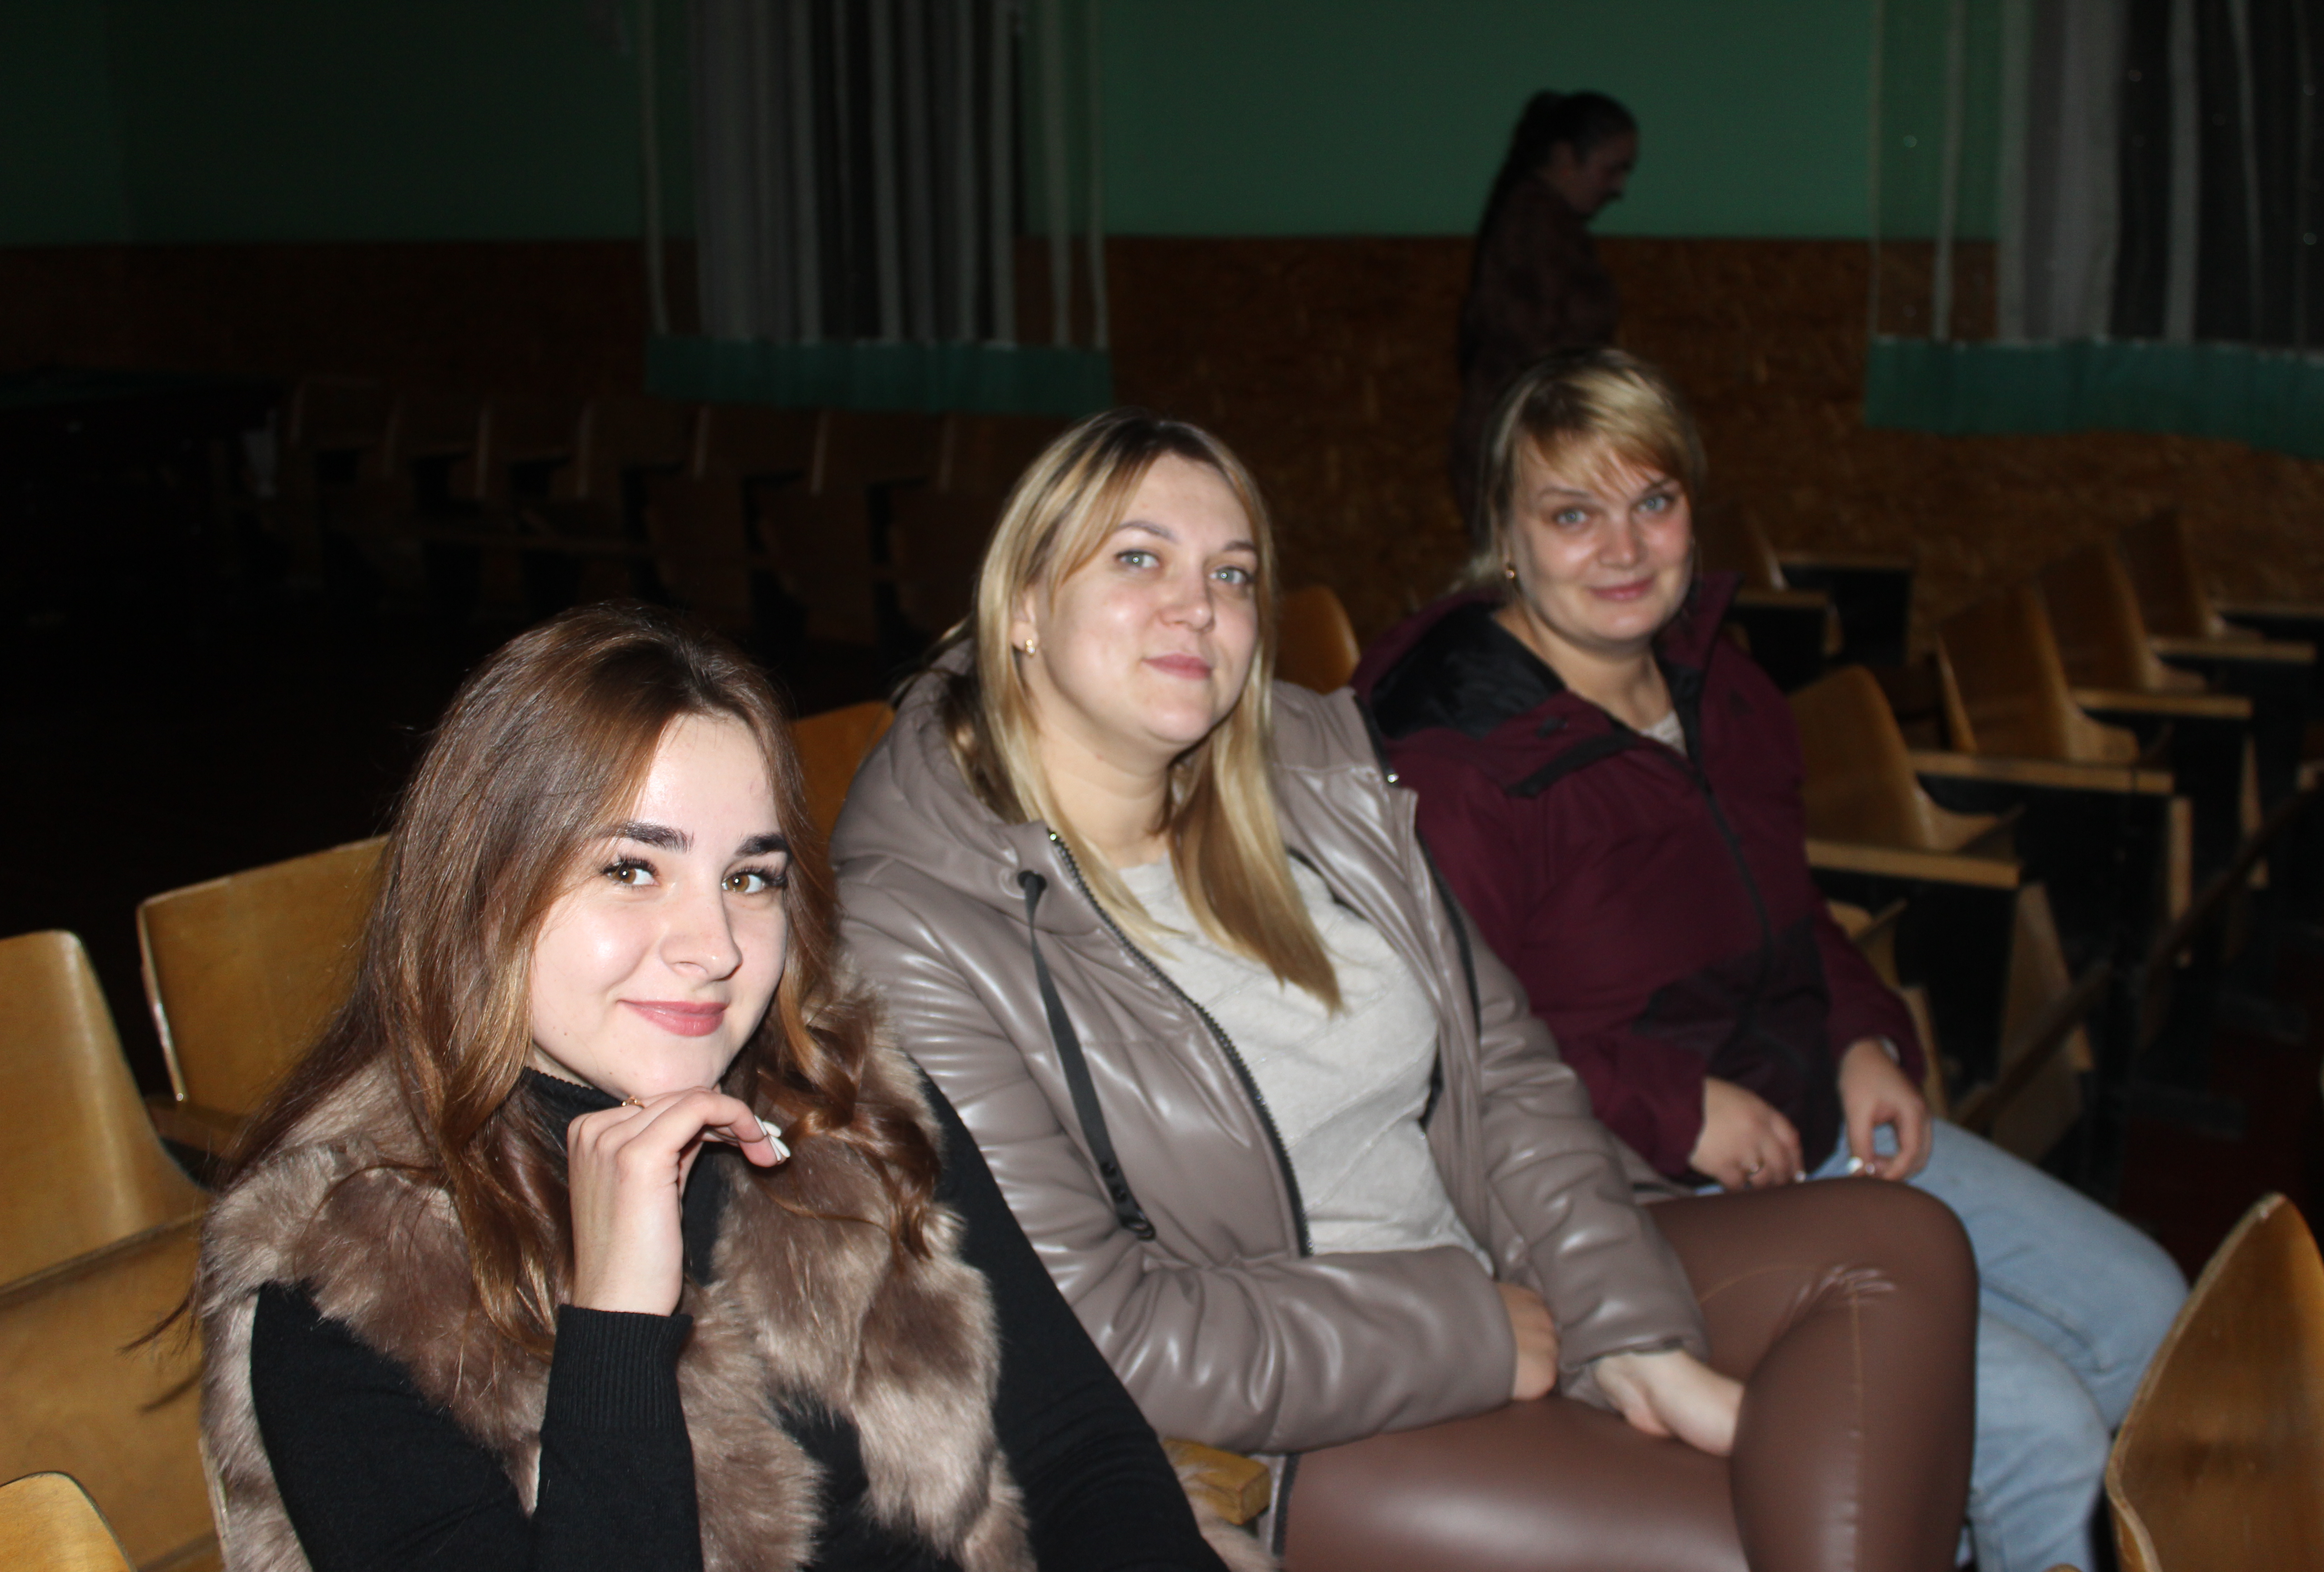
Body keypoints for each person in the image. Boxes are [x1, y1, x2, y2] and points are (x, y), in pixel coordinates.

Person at [831, 408, 1979, 1572]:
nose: (1198, 607)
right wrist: (1471, 1331)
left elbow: (1507, 1070)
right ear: (1023, 605)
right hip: (1286, 1409)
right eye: (1139, 558)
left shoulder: (1303, 766)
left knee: (1905, 1240)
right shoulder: (919, 917)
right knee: (1743, 1535)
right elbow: (1087, 1326)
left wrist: (1626, 1331)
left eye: (1232, 573)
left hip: (1492, 1260)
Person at [193, 603, 1248, 1572]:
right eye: (631, 868)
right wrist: (614, 1327)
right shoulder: (350, 1274)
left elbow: (1075, 1443)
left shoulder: (839, 1095)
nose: (714, 947)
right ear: (482, 890)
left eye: (748, 877)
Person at [1357, 348, 2189, 1572]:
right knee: (2038, 1432)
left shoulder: (1725, 685)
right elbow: (1446, 1051)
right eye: (1573, 514)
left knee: (2148, 1314)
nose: (1624, 549)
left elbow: (1793, 911)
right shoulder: (1453, 763)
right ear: (1504, 538)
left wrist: (1863, 1036)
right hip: (1637, 1186)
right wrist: (1675, 1107)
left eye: (1653, 502)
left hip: (1813, 1110)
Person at [1451, 90, 1639, 528]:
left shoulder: (1545, 221)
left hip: (1529, 435)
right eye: (1611, 168)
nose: (1618, 187)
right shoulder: (1535, 225)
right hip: (1525, 439)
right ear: (1564, 157)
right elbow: (1542, 348)